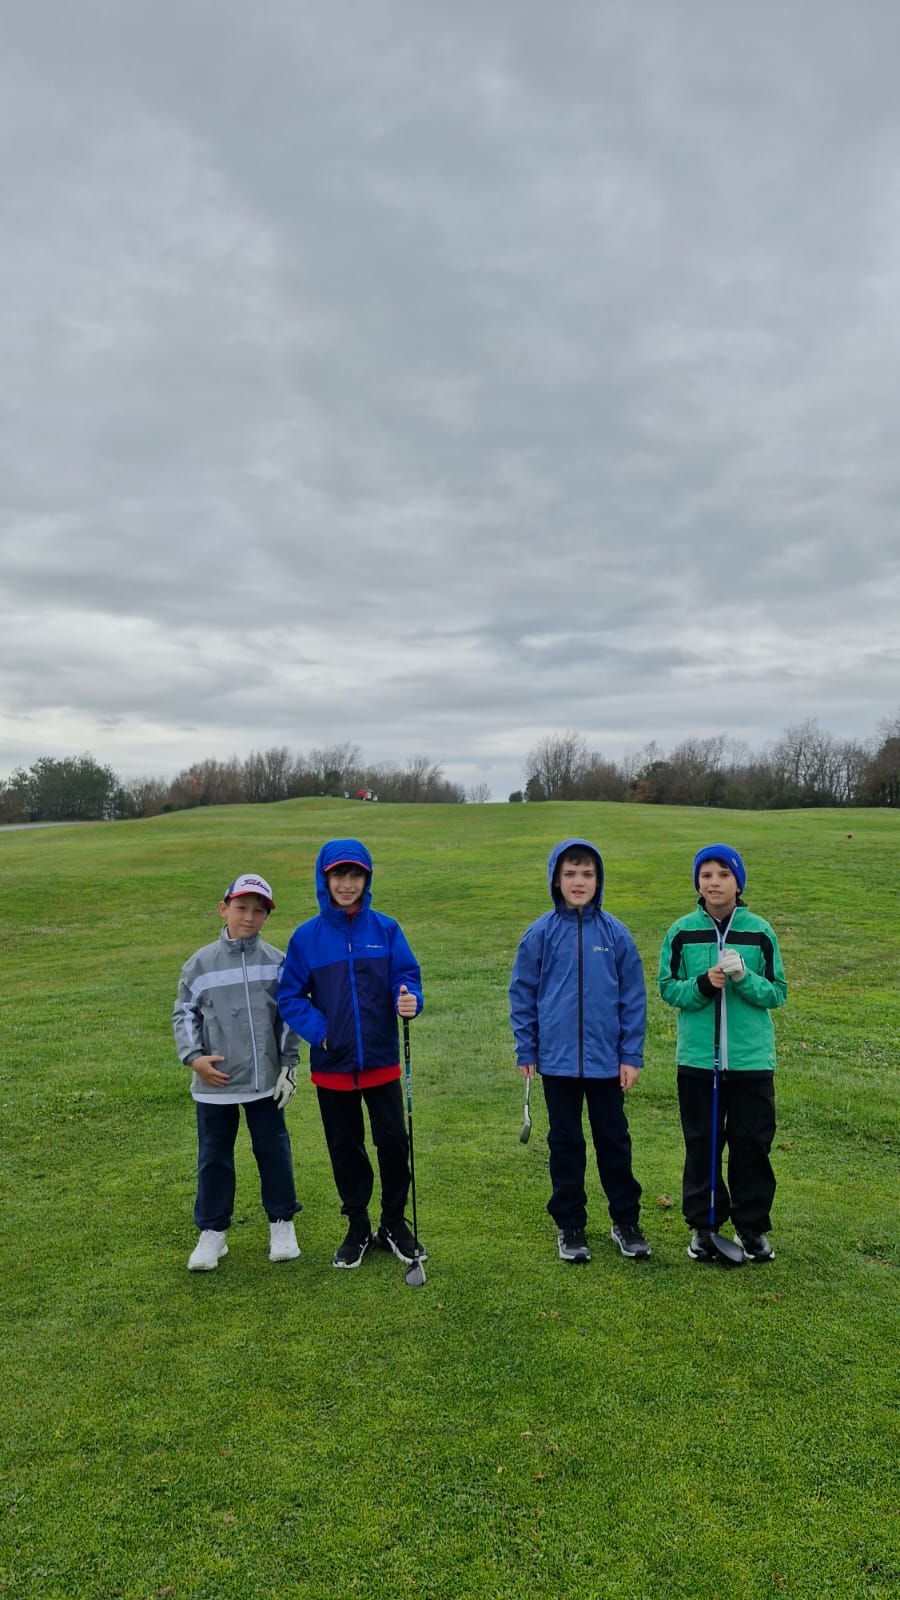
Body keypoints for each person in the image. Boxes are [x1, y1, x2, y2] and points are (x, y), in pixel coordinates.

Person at [277, 839, 425, 1270]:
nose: (347, 884)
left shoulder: (386, 930)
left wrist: (409, 998)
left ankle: (393, 1223)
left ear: (367, 879)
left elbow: (407, 978)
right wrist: (321, 1033)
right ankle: (358, 1225)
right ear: (324, 880)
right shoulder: (306, 938)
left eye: (355, 875)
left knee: (393, 1142)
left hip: (381, 1061)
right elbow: (290, 996)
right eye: (339, 875)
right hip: (334, 1066)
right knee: (345, 1147)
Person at [509, 838, 650, 1264]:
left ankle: (625, 1221)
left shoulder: (615, 934)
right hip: (557, 1062)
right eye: (570, 873)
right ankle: (570, 1225)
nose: (579, 882)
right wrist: (526, 1048)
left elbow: (633, 999)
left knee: (614, 1142)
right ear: (556, 879)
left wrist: (631, 1056)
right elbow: (523, 994)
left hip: (607, 1063)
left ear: (598, 880)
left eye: (587, 874)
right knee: (565, 1144)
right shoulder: (540, 934)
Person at [658, 844, 787, 1264]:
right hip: (698, 1061)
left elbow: (777, 992)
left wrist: (743, 978)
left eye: (723, 874)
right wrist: (703, 984)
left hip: (751, 1062)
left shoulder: (760, 931)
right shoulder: (681, 931)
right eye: (706, 875)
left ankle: (751, 1228)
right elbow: (667, 988)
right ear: (698, 882)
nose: (714, 882)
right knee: (702, 1145)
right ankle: (704, 1225)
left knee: (752, 1145)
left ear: (738, 883)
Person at [173, 873, 302, 1272]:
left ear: (267, 916)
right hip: (215, 1082)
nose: (249, 917)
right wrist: (193, 1058)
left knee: (273, 1150)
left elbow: (288, 1017)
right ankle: (213, 1232)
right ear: (223, 908)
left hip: (265, 1082)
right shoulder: (199, 964)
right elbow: (184, 1014)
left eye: (258, 911)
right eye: (241, 908)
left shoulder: (277, 962)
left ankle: (282, 1222)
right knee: (214, 1155)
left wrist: (289, 1066)